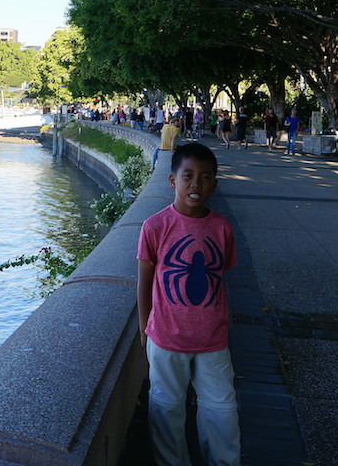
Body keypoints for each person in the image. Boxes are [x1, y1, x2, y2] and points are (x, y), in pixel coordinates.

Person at [137, 143, 240, 466]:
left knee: (222, 410)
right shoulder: (154, 226)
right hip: (166, 336)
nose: (196, 184)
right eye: (188, 176)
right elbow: (145, 281)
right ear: (173, 181)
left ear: (215, 184)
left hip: (213, 338)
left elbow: (218, 277)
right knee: (166, 409)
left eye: (205, 177)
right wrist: (145, 327)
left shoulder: (222, 227)